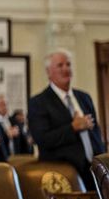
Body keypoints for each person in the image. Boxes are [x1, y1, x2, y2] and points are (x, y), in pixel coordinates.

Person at [28, 49, 106, 188]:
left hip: (95, 172)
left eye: (68, 64)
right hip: (63, 177)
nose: (66, 68)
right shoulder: (39, 102)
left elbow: (95, 133)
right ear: (48, 72)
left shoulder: (84, 97)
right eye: (60, 65)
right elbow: (42, 139)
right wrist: (73, 127)